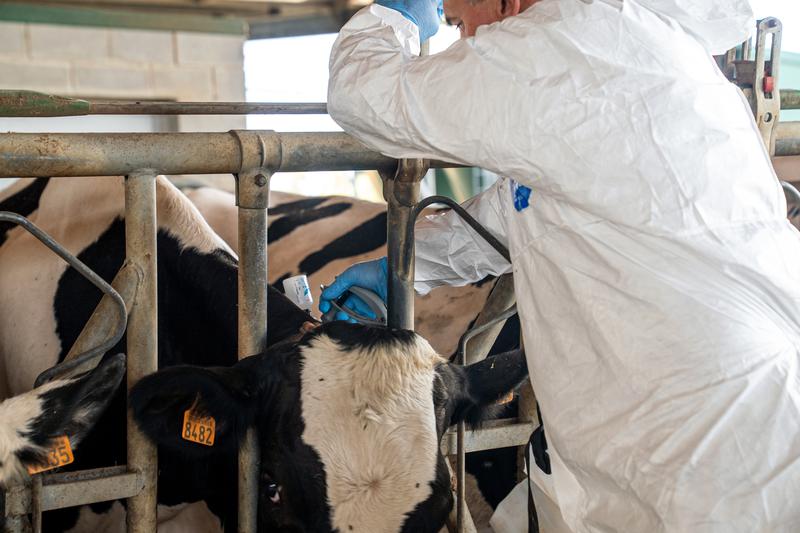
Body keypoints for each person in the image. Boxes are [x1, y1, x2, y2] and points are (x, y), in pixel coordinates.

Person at [321, 0, 800, 531]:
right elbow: (536, 203)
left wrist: (396, 17)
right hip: (720, 405)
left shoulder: (555, 46)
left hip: (700, 428)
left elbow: (365, 97)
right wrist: (411, 261)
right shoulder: (630, 43)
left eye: (457, 22)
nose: (463, 42)